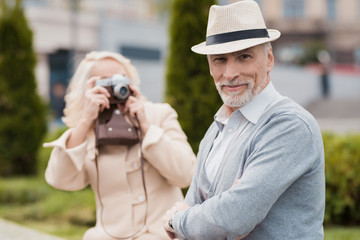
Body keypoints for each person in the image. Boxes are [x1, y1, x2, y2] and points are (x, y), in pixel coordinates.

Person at [163, 1, 325, 239]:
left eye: (244, 57)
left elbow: (231, 219)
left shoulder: (291, 126)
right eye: (219, 59)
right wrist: (208, 218)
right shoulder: (216, 129)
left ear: (269, 59)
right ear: (209, 66)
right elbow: (202, 226)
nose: (230, 74)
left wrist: (177, 219)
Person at [43, 51, 196, 240]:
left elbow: (186, 175)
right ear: (87, 89)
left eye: (120, 80)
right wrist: (84, 122)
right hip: (109, 235)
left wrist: (146, 128)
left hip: (162, 234)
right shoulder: (85, 130)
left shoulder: (159, 115)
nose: (114, 88)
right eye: (104, 83)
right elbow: (60, 180)